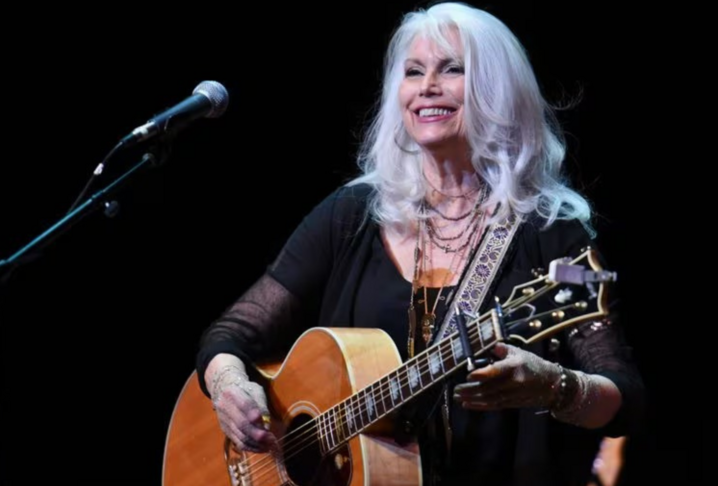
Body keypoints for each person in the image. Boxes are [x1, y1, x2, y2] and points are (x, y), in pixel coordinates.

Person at [195, 2, 645, 485]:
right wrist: (229, 389)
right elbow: (231, 334)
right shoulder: (353, 212)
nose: (427, 86)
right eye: (413, 71)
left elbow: (623, 396)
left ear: (497, 88)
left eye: (452, 69)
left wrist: (552, 386)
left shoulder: (555, 231)